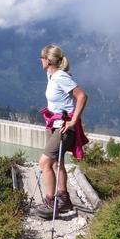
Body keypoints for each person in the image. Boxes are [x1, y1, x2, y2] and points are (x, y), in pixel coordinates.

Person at [36, 44, 88, 219]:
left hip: (63, 127)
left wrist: (73, 121)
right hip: (54, 124)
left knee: (44, 163)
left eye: (41, 58)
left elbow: (82, 95)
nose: (39, 60)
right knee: (57, 163)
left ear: (48, 60)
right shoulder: (50, 75)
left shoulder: (60, 77)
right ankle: (63, 198)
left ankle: (51, 202)